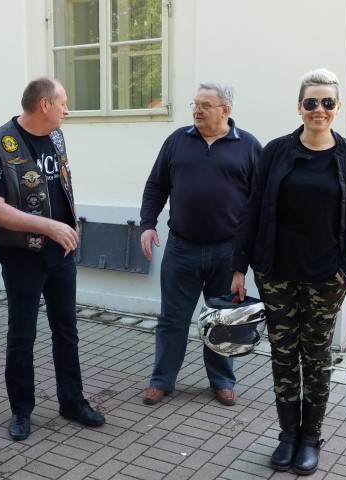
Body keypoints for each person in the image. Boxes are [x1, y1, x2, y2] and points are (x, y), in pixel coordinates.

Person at [231, 69, 346, 476]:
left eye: (327, 102)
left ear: (337, 107)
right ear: (299, 107)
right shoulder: (275, 152)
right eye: (311, 102)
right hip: (276, 273)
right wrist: (238, 267)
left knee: (316, 356)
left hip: (326, 277)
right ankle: (287, 434)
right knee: (283, 353)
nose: (319, 109)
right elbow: (252, 209)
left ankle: (310, 437)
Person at [0, 76, 105, 441]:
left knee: (66, 330)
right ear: (45, 104)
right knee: (22, 334)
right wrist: (47, 226)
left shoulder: (57, 136)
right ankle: (21, 410)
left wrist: (64, 228)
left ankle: (72, 401)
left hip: (60, 253)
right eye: (63, 103)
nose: (67, 110)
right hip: (21, 256)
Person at [139, 82, 262, 407]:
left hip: (227, 251)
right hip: (182, 248)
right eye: (195, 104)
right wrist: (147, 225)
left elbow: (259, 204)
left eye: (205, 105)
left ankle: (222, 381)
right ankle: (161, 380)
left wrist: (247, 255)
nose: (197, 110)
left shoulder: (249, 146)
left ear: (225, 110)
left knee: (224, 320)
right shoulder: (177, 140)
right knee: (172, 320)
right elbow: (156, 186)